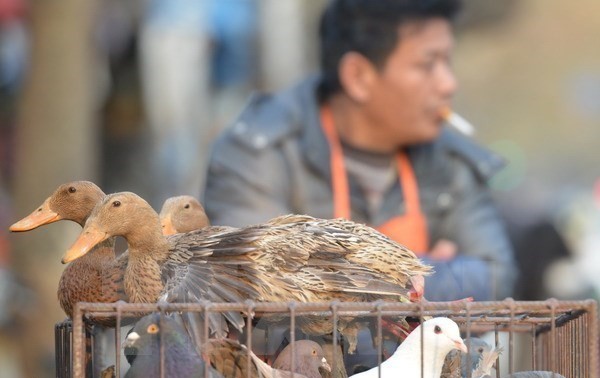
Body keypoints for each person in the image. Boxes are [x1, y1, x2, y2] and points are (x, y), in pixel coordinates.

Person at [204, 0, 517, 370]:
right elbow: (255, 286)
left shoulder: (451, 160)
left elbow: (496, 276)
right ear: (358, 76)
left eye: (447, 62)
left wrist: (331, 276)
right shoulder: (258, 150)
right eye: (428, 64)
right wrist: (421, 277)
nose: (449, 83)